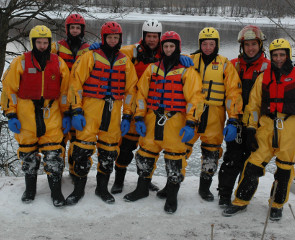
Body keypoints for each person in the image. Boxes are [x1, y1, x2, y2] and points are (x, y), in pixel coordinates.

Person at [90, 19, 194, 194]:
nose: (152, 40)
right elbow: (111, 50)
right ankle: (119, 180)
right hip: (134, 104)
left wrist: (187, 58)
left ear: (159, 37)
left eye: (155, 37)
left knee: (148, 149)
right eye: (149, 36)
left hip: (154, 108)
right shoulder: (132, 52)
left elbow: (186, 61)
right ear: (143, 36)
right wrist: (96, 47)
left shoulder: (167, 52)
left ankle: (146, 181)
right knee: (126, 147)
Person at [222, 38, 295, 221]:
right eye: (275, 55)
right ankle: (240, 200)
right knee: (252, 164)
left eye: (282, 55)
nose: (279, 58)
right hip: (267, 126)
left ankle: (277, 205)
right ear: (271, 56)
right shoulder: (263, 78)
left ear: (288, 55)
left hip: (291, 128)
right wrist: (251, 128)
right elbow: (253, 105)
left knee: (284, 170)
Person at [156, 27, 243, 203]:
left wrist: (233, 119)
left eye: (212, 44)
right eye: (204, 44)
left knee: (211, 153)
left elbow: (233, 93)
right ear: (199, 44)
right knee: (180, 150)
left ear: (217, 45)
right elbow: (170, 62)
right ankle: (172, 184)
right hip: (191, 114)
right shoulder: (189, 60)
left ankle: (204, 188)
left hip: (214, 114)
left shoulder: (225, 64)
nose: (208, 47)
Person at [123, 31, 203, 214]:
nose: (168, 50)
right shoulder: (153, 69)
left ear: (177, 48)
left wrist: (191, 123)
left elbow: (195, 99)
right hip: (152, 118)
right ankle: (142, 189)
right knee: (144, 154)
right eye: (165, 46)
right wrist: (139, 116)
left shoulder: (187, 71)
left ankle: (172, 195)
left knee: (175, 159)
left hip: (175, 120)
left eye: (171, 46)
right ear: (162, 48)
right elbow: (141, 94)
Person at [65, 21, 138, 205]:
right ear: (103, 38)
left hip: (113, 112)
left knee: (109, 152)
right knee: (81, 151)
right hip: (90, 110)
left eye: (116, 38)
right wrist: (77, 110)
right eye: (109, 37)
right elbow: (75, 84)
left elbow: (131, 91)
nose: (113, 41)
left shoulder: (125, 61)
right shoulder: (90, 57)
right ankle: (79, 189)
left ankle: (102, 188)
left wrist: (127, 115)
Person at [0, 25, 70, 207]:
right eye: (38, 42)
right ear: (32, 43)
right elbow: (9, 90)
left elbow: (65, 92)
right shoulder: (20, 62)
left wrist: (68, 113)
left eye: (45, 42)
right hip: (26, 116)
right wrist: (11, 114)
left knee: (54, 156)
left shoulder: (59, 63)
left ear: (49, 43)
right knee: (28, 156)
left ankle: (56, 192)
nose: (42, 45)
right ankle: (30, 190)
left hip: (51, 114)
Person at [217, 25, 270, 207]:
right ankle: (224, 195)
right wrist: (188, 58)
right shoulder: (233, 65)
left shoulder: (268, 67)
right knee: (232, 159)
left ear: (260, 44)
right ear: (242, 46)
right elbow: (210, 65)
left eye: (254, 44)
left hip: (258, 124)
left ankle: (243, 198)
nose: (250, 48)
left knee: (252, 163)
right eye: (247, 44)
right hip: (237, 121)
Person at [51, 13, 90, 178]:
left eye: (78, 28)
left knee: (77, 137)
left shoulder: (89, 49)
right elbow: (40, 52)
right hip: (60, 97)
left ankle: (75, 171)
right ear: (67, 29)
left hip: (80, 98)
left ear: (82, 30)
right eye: (72, 27)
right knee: (60, 137)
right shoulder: (57, 47)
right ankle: (57, 171)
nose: (75, 30)